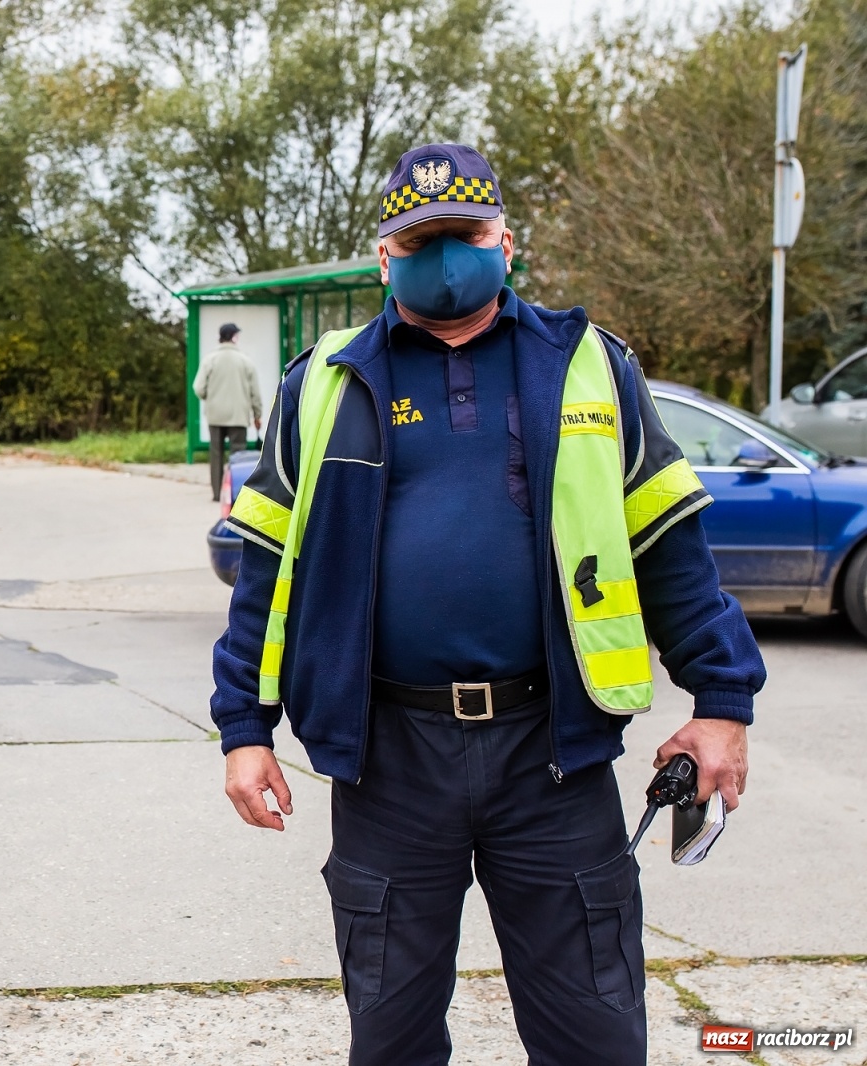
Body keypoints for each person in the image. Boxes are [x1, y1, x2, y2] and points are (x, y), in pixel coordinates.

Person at [210, 143, 764, 1066]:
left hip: (553, 754)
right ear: (385, 257)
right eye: (419, 241)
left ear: (506, 241)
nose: (444, 256)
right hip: (386, 760)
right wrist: (244, 728)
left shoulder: (586, 365)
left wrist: (722, 705)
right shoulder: (323, 380)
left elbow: (669, 550)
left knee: (596, 1038)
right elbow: (269, 574)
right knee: (390, 1042)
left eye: (463, 235)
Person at [193, 322, 263, 501]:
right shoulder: (245, 361)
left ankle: (217, 493)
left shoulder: (210, 359)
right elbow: (255, 392)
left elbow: (198, 387)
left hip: (215, 415)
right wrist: (257, 415)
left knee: (215, 454)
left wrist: (211, 398)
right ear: (233, 337)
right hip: (238, 416)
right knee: (237, 455)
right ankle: (234, 494)